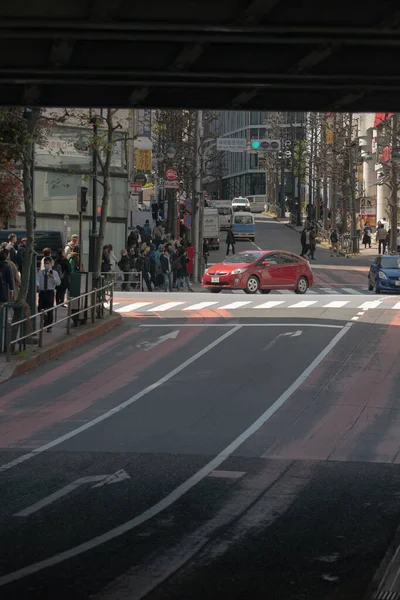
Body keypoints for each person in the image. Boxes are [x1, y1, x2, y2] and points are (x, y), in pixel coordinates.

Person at [36, 256, 61, 332]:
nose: (46, 265)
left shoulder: (54, 273)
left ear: (51, 264)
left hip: (50, 292)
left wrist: (53, 277)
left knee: (50, 308)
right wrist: (37, 285)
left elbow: (58, 283)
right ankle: (45, 319)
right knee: (40, 308)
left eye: (48, 263)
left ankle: (49, 325)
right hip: (42, 291)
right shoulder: (41, 272)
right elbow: (37, 280)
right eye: (45, 263)